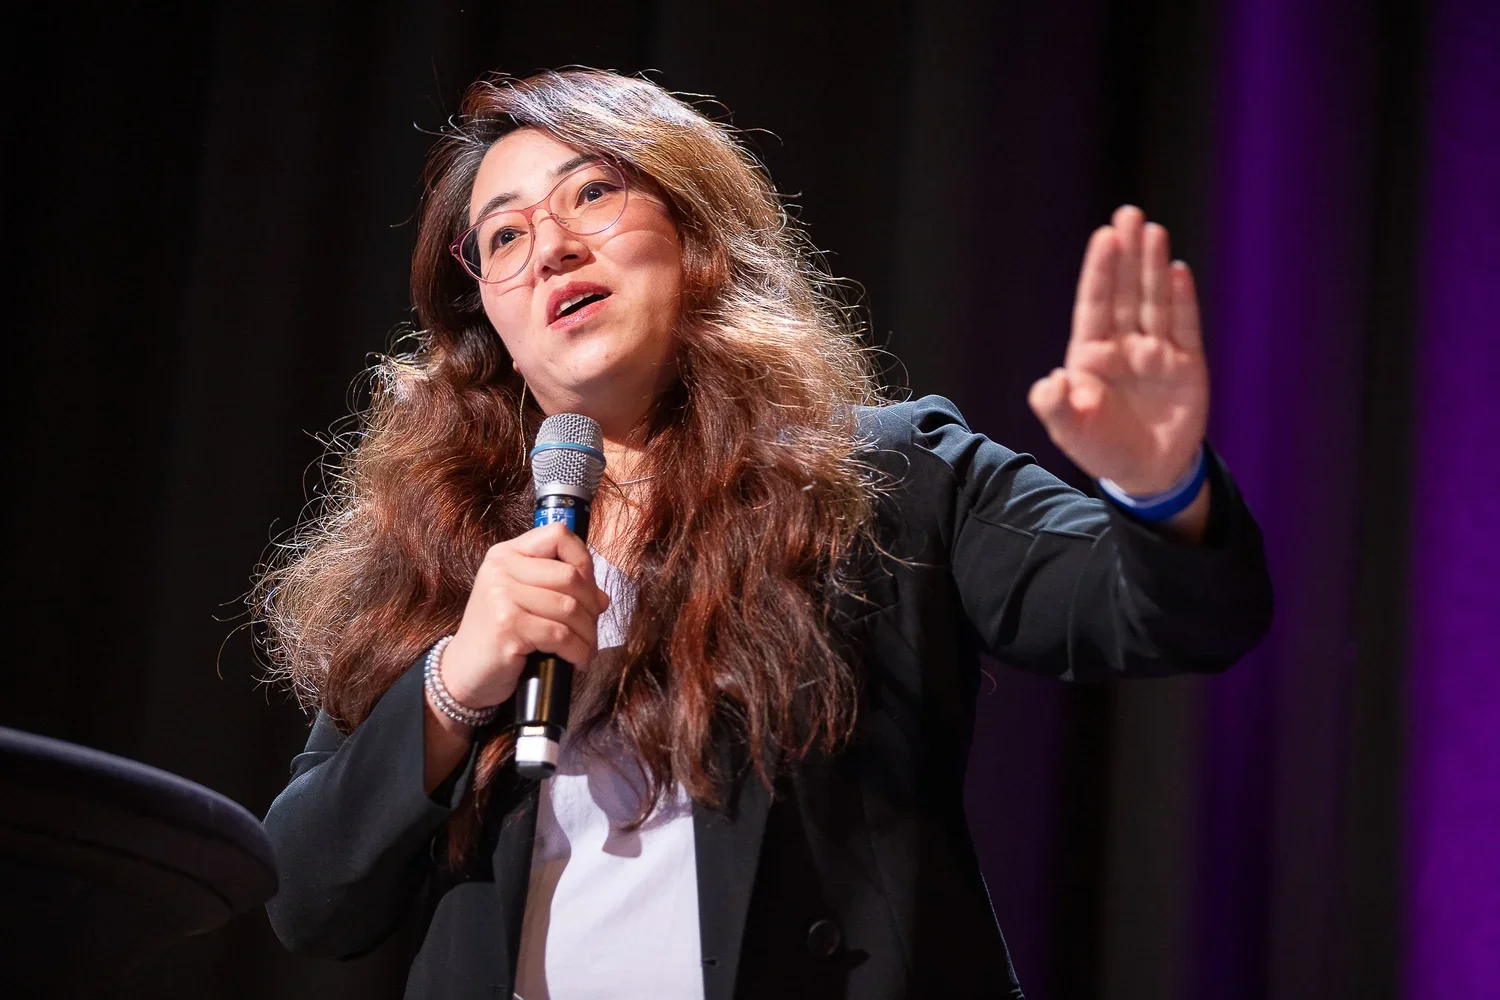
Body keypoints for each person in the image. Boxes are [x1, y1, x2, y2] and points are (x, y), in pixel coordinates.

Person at [257, 68, 1272, 1000]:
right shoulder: (443, 565)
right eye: (505, 236)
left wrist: (1158, 485)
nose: (553, 244)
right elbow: (306, 894)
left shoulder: (881, 479)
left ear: (695, 237)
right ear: (490, 323)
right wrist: (455, 681)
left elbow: (1162, 613)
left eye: (593, 193)